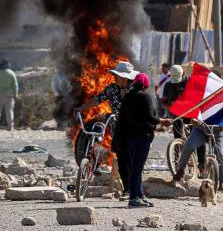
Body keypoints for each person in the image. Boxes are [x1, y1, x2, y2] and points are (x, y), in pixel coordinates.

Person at [112, 73, 165, 208]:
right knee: (137, 168)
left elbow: (129, 118)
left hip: (129, 138)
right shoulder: (146, 97)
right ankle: (134, 198)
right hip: (142, 138)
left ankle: (140, 195)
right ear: (145, 85)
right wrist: (162, 122)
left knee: (135, 167)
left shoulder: (128, 97)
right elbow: (150, 117)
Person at [75, 60, 138, 166]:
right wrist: (81, 108)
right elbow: (97, 99)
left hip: (132, 125)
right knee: (119, 151)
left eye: (116, 75)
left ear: (124, 77)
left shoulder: (135, 90)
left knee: (130, 151)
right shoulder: (112, 89)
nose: (114, 77)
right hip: (116, 125)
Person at [172, 101, 223, 191]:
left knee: (220, 154)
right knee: (189, 146)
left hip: (219, 130)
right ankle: (181, 169)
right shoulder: (202, 96)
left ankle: (222, 181)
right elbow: (191, 110)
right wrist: (192, 119)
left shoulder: (222, 97)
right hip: (201, 129)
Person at [161, 64, 205, 174]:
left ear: (183, 74)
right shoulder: (168, 86)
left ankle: (202, 165)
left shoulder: (191, 82)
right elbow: (163, 102)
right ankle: (178, 167)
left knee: (198, 139)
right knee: (178, 140)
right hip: (177, 116)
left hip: (191, 115)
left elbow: (200, 97)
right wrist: (171, 107)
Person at [0, 59, 19, 130]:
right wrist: (15, 94)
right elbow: (15, 85)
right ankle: (10, 126)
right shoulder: (11, 73)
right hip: (8, 96)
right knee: (9, 111)